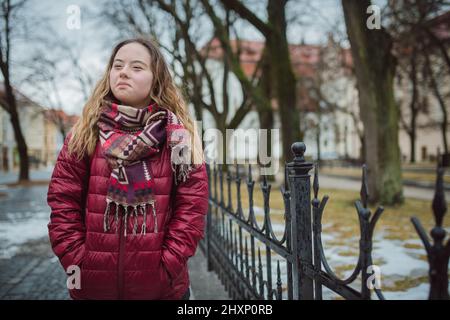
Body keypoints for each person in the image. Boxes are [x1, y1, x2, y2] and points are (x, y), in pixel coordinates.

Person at [47, 37, 208, 300]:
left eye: (136, 67)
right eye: (118, 65)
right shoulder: (84, 133)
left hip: (162, 291)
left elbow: (192, 207)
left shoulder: (178, 137)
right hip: (93, 288)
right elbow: (62, 201)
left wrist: (166, 267)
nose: (123, 72)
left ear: (156, 79)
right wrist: (78, 261)